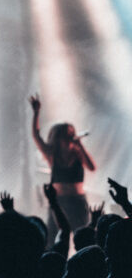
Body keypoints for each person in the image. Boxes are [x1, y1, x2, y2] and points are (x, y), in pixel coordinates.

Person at [29, 95, 96, 243]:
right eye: (67, 135)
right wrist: (36, 113)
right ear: (58, 138)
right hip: (59, 201)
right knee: (52, 239)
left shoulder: (78, 154)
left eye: (71, 134)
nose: (70, 137)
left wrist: (81, 146)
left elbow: (92, 167)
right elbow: (36, 137)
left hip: (78, 201)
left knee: (84, 238)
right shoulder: (52, 154)